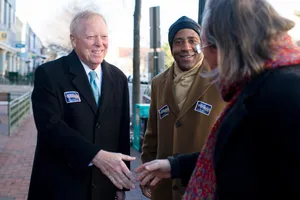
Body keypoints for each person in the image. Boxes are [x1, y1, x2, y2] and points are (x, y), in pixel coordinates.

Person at [136, 0, 300, 199]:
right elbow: (241, 157)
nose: (204, 55)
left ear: (230, 44)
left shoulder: (284, 94)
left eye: (206, 45)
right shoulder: (261, 87)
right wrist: (175, 166)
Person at [28, 10, 135, 200]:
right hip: (61, 187)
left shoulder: (118, 78)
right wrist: (96, 156)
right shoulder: (50, 74)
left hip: (103, 188)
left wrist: (121, 184)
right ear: (73, 39)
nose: (99, 43)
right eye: (91, 37)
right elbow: (51, 128)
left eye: (103, 36)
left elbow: (121, 134)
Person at [140, 16, 225, 200]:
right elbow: (151, 136)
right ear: (171, 47)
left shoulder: (220, 79)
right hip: (165, 188)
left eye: (192, 41)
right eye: (179, 42)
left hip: (205, 186)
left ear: (202, 44)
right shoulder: (158, 83)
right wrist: (147, 171)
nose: (186, 47)